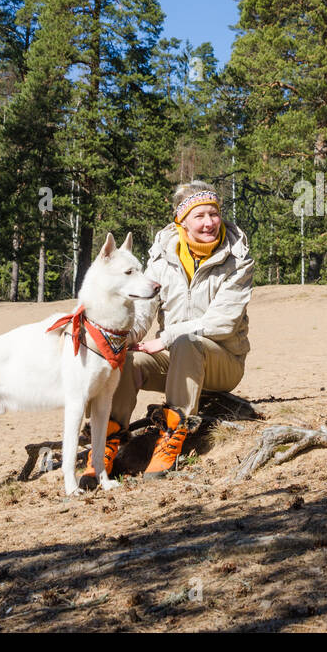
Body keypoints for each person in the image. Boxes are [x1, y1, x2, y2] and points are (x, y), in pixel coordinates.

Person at [84, 181, 253, 481]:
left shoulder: (237, 258)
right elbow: (142, 314)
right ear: (181, 221)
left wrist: (165, 339)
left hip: (222, 362)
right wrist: (115, 337)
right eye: (199, 216)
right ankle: (106, 442)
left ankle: (172, 437)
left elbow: (223, 321)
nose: (209, 223)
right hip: (176, 361)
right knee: (126, 358)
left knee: (188, 341)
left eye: (213, 214)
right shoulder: (163, 258)